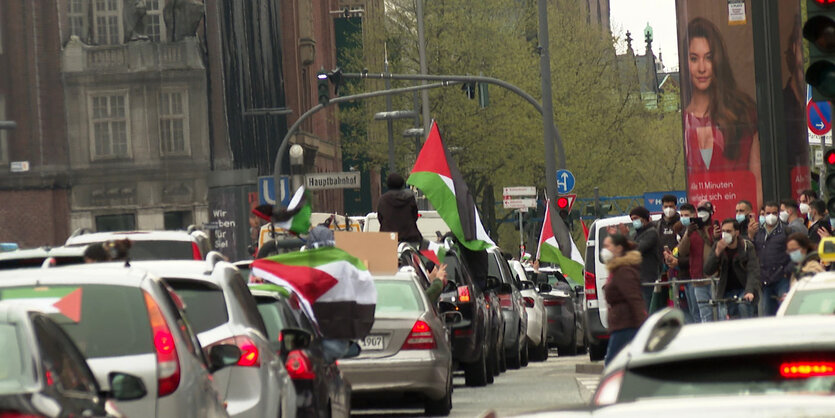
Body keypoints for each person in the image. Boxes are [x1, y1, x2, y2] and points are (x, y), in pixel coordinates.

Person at [683, 17, 762, 207]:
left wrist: (742, 228)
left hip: (738, 225)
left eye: (708, 58)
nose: (702, 68)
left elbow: (757, 184)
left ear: (718, 61)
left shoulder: (743, 112)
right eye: (694, 58)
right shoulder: (682, 121)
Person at [601, 234, 646, 365]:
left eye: (607, 246)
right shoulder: (617, 269)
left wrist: (641, 324)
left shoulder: (624, 271)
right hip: (622, 323)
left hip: (626, 324)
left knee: (612, 363)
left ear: (618, 248)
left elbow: (634, 299)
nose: (604, 250)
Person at [704, 219, 759, 320]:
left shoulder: (746, 246)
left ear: (737, 232)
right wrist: (717, 253)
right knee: (725, 315)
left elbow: (753, 270)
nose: (725, 234)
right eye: (723, 231)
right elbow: (707, 270)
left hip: (744, 288)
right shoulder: (718, 246)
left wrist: (749, 291)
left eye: (728, 231)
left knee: (743, 307)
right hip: (726, 291)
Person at [675, 200, 718, 322]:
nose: (702, 214)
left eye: (705, 211)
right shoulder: (692, 230)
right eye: (700, 211)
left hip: (716, 278)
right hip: (698, 279)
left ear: (711, 212)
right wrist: (688, 234)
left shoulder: (716, 227)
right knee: (704, 314)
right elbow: (682, 252)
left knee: (719, 312)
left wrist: (716, 237)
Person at [753, 202, 792, 316]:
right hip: (765, 281)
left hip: (782, 279)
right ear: (763, 214)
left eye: (774, 213)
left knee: (785, 312)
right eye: (768, 213)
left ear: (778, 213)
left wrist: (786, 271)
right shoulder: (758, 233)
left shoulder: (786, 231)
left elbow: (793, 252)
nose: (771, 216)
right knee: (768, 314)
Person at [664, 203, 700, 323]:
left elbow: (695, 257)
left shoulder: (697, 231)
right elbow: (679, 252)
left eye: (687, 215)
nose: (684, 218)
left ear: (694, 215)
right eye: (682, 215)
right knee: (686, 313)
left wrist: (677, 262)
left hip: (693, 278)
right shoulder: (680, 231)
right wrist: (671, 257)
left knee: (696, 313)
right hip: (681, 278)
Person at [628, 206, 661, 309]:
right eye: (632, 219)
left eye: (636, 218)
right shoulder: (636, 235)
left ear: (644, 218)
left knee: (648, 309)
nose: (635, 221)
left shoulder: (651, 233)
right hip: (637, 279)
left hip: (648, 279)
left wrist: (625, 238)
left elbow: (637, 249)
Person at [377, 173, 422, 245]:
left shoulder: (383, 200)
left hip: (388, 239)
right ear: (402, 184)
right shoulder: (410, 198)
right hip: (410, 238)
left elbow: (380, 218)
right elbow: (414, 216)